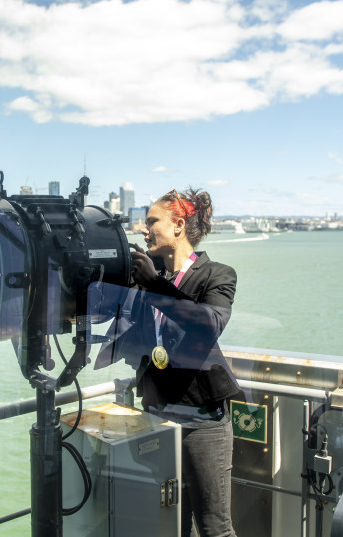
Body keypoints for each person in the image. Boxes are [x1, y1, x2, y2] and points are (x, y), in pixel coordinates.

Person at [96, 188, 239, 537]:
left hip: (203, 422)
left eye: (151, 222)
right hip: (157, 417)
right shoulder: (146, 275)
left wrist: (155, 285)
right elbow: (102, 303)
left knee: (214, 527)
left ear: (178, 225)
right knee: (173, 522)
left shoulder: (216, 274)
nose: (143, 230)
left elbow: (207, 324)